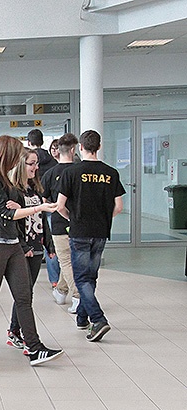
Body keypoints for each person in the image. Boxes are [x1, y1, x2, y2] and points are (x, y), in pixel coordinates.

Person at [0, 135, 64, 366]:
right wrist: (37, 207)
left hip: (11, 243)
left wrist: (22, 207)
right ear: (7, 153)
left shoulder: (3, 178)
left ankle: (34, 347)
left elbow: (13, 210)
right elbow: (5, 213)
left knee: (24, 297)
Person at [56, 130, 125, 342]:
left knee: (81, 278)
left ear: (80, 148)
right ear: (99, 146)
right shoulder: (111, 173)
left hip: (79, 232)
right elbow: (119, 207)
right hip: (101, 232)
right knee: (91, 276)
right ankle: (82, 318)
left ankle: (98, 318)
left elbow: (60, 206)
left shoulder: (72, 173)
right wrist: (104, 218)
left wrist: (72, 218)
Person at [5, 149, 55, 350]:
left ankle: (15, 331)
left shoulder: (35, 189)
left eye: (36, 163)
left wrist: (48, 244)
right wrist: (23, 246)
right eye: (31, 163)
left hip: (37, 246)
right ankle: (22, 334)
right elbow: (13, 222)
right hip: (22, 249)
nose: (35, 167)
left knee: (27, 293)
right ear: (20, 166)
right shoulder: (14, 190)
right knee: (24, 294)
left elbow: (42, 219)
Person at [41, 133, 80, 314]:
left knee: (65, 260)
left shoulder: (50, 174)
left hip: (57, 222)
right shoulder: (80, 172)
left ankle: (78, 296)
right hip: (79, 222)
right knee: (71, 260)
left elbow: (44, 201)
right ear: (73, 150)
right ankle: (62, 290)